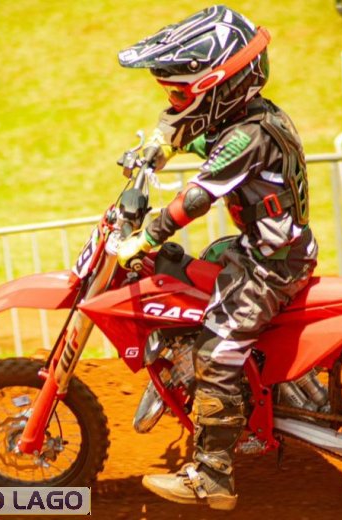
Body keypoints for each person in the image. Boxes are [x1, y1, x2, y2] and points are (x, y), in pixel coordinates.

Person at [116, 5, 319, 511]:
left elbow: (197, 197)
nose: (174, 101)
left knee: (217, 350)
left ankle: (212, 476)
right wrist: (156, 150)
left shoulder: (249, 137)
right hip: (259, 246)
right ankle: (194, 375)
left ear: (220, 87)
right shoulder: (251, 117)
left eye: (180, 93)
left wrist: (147, 237)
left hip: (272, 264)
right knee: (188, 271)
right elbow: (198, 134)